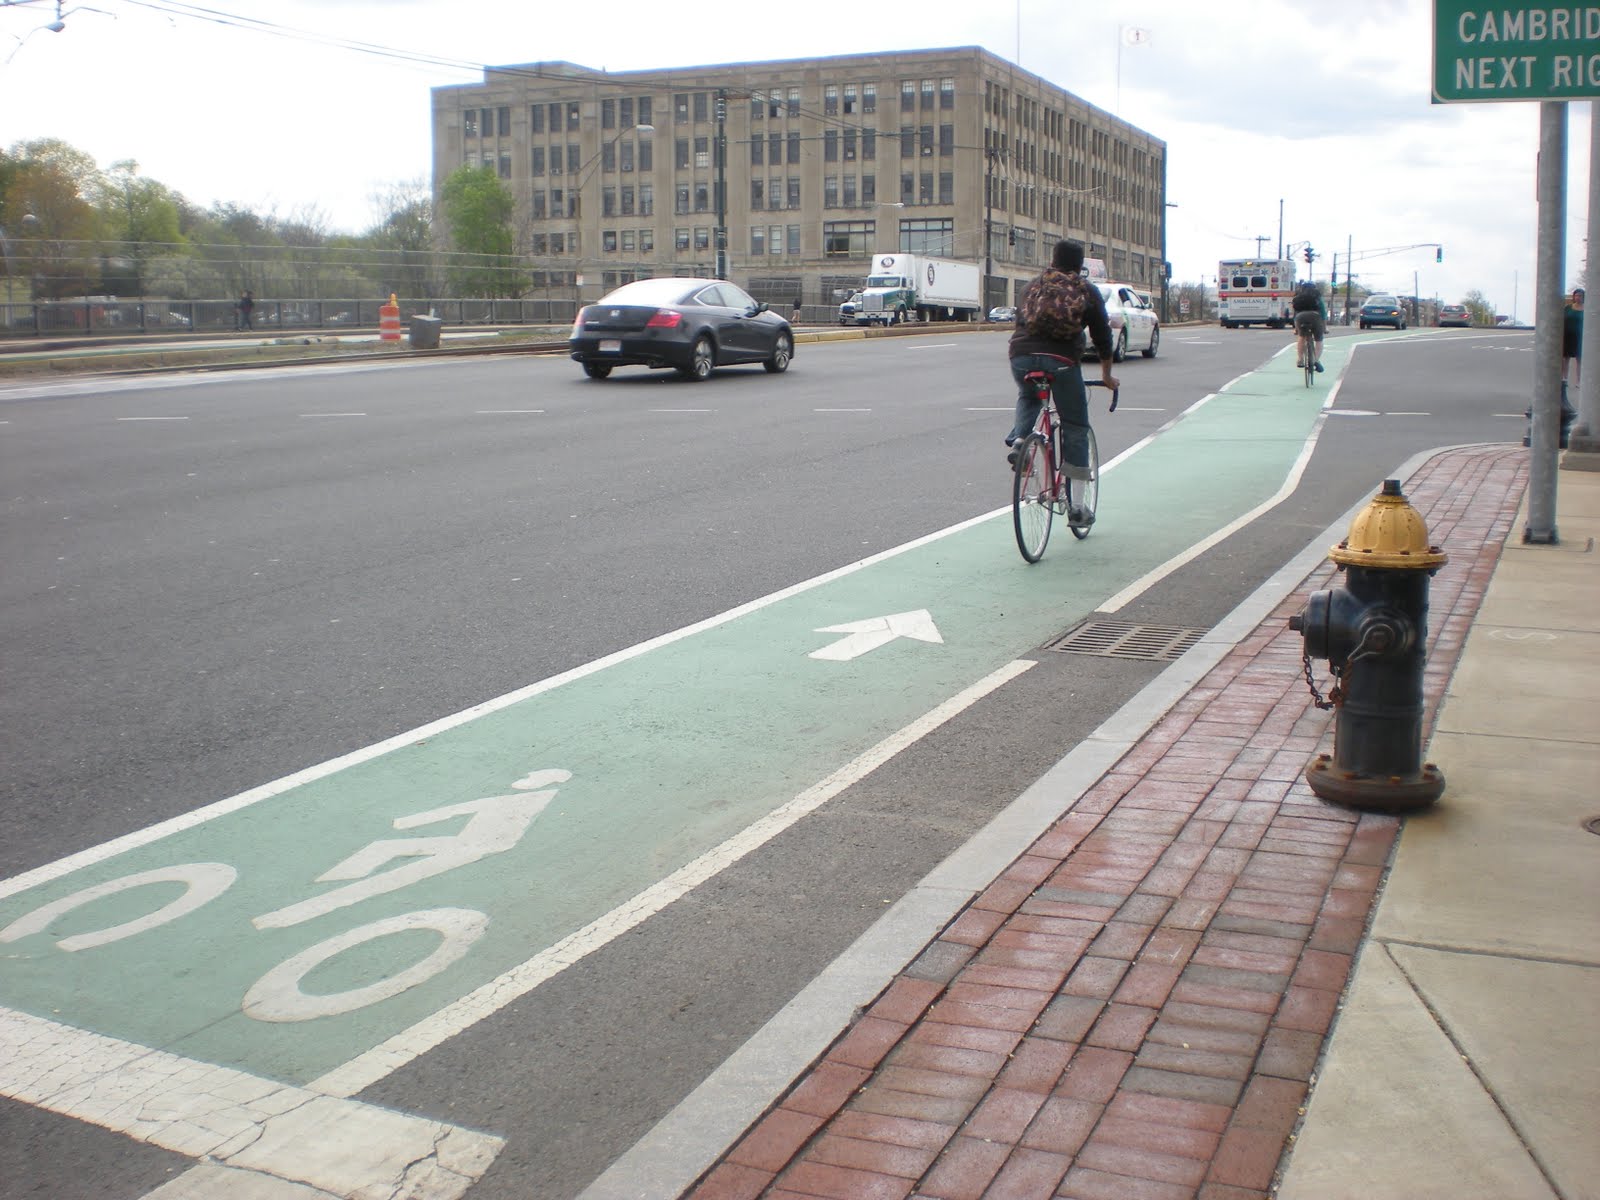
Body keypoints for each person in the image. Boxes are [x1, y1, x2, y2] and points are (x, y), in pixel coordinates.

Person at [1006, 239, 1118, 507]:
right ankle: (1079, 507)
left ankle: (1021, 440)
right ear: (1080, 266)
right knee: (1075, 426)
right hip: (1062, 361)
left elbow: (1021, 323)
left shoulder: (1032, 287)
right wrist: (1106, 376)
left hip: (1021, 356)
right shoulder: (1086, 291)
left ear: (1052, 260)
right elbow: (1103, 338)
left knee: (1029, 395)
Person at [1291, 280, 1326, 372]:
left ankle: (1300, 359)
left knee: (1301, 337)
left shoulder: (1298, 296)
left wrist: (1296, 329)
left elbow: (1295, 314)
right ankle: (1316, 360)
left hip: (1300, 317)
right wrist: (1324, 328)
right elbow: (1323, 313)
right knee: (1319, 340)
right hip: (1315, 317)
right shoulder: (1317, 296)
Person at [1562, 287, 1583, 388]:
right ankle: (1564, 379)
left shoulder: (1586, 309)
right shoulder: (1568, 308)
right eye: (1576, 295)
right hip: (1568, 335)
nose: (1578, 297)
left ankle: (1579, 381)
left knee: (1580, 359)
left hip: (1580, 336)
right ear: (1574, 296)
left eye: (1580, 296)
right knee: (1566, 358)